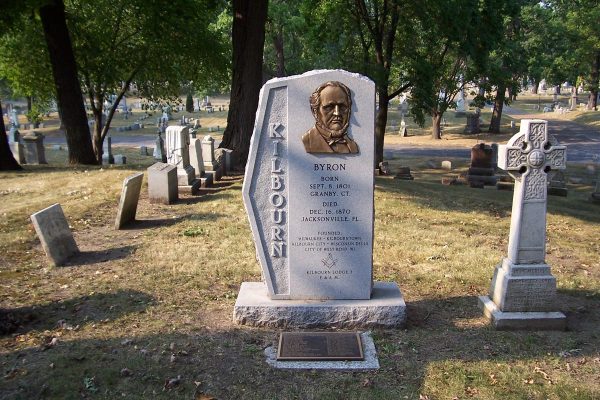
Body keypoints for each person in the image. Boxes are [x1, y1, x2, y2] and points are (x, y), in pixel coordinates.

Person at [302, 81, 359, 154]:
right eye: (329, 107)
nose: (337, 113)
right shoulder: (308, 140)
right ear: (315, 111)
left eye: (342, 107)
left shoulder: (353, 145)